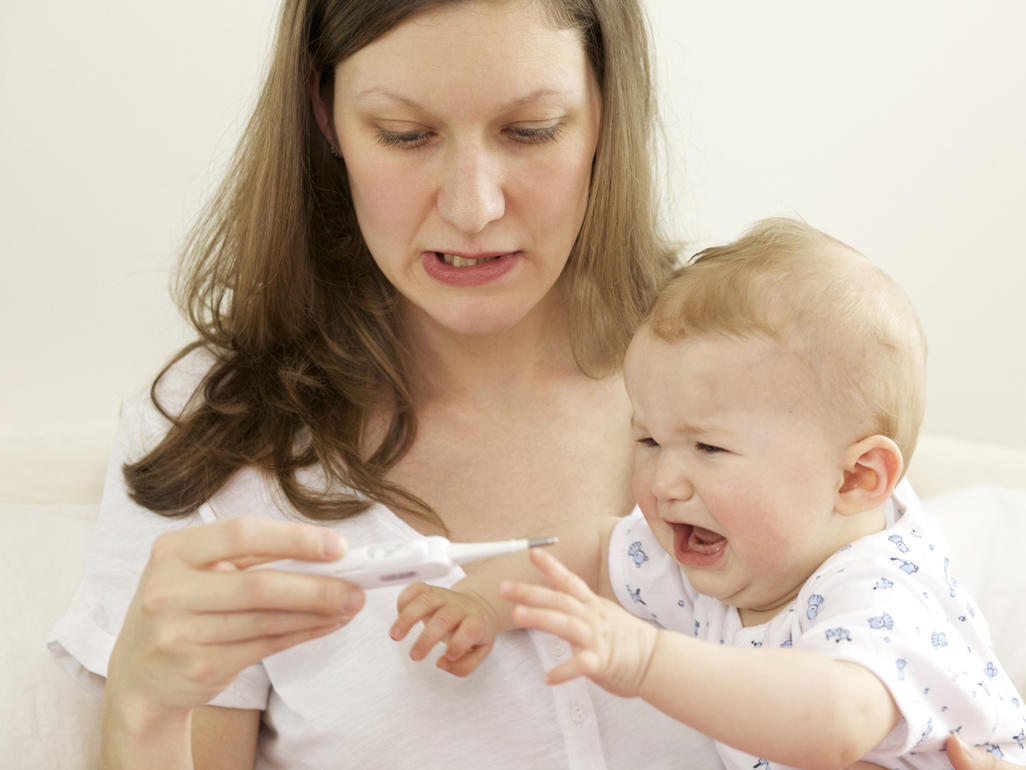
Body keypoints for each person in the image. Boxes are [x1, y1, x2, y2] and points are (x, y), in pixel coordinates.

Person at [47, 0, 728, 767]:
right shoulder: (218, 446)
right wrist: (144, 709)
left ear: (607, 105)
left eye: (530, 129)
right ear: (324, 110)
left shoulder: (755, 360)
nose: (474, 208)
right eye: (406, 135)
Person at [391, 218, 1026, 769]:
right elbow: (591, 549)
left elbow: (831, 723)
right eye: (648, 441)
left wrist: (644, 659)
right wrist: (478, 599)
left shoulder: (882, 588)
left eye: (710, 449)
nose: (664, 483)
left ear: (856, 479)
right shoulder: (724, 562)